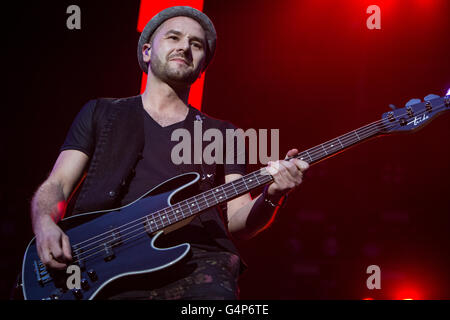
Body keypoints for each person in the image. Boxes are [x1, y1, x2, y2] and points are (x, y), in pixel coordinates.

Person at [29, 6, 309, 300]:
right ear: (147, 51)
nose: (185, 47)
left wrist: (272, 196)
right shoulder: (101, 113)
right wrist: (45, 224)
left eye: (196, 44)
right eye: (174, 37)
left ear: (202, 67)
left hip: (197, 266)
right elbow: (57, 184)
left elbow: (238, 219)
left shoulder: (224, 133)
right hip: (102, 260)